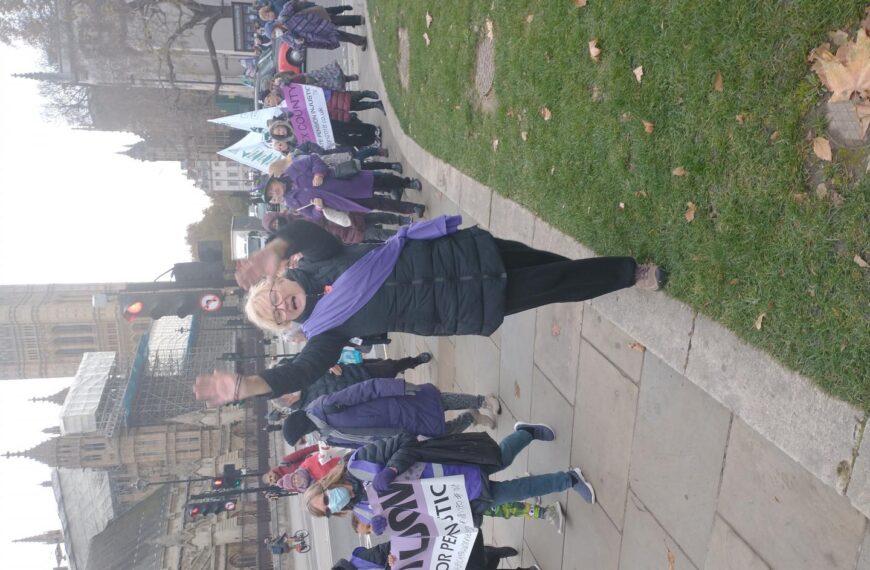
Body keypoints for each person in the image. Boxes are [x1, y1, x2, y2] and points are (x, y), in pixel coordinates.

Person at [193, 215, 664, 407]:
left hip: (460, 255)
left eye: (274, 297)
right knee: (552, 286)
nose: (281, 305)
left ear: (278, 278)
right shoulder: (325, 333)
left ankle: (600, 272)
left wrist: (272, 248)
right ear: (285, 323)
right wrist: (248, 385)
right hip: (461, 302)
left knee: (543, 263)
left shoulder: (321, 257)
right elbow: (300, 373)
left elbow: (302, 230)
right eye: (276, 314)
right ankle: (631, 274)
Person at [302, 423, 595, 522]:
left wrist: (391, 469)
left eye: (325, 499)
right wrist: (388, 533)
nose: (332, 503)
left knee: (502, 459)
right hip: (457, 498)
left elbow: (405, 440)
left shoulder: (359, 463)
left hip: (452, 466)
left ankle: (526, 432)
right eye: (328, 509)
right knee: (517, 491)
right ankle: (568, 479)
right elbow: (412, 526)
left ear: (326, 485)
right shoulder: (364, 511)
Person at [280, 377, 500, 448]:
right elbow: (359, 446)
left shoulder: (323, 407)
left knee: (439, 402)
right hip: (396, 434)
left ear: (301, 427)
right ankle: (472, 417)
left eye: (301, 437)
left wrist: (397, 387)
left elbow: (362, 391)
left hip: (394, 407)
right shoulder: (326, 437)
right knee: (440, 432)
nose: (305, 441)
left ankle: (482, 401)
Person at [263, 156, 425, 220]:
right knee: (380, 204)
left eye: (272, 189)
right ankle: (412, 208)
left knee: (382, 180)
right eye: (272, 196)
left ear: (274, 180)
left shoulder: (293, 170)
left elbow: (314, 160)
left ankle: (407, 183)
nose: (274, 193)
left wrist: (318, 173)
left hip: (346, 181)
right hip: (345, 200)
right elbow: (312, 215)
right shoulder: (292, 203)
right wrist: (318, 209)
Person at [270, 352, 434, 413]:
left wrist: (328, 363)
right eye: (288, 391)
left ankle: (414, 361)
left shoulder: (301, 377)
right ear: (289, 400)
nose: (292, 388)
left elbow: (313, 357)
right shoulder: (309, 409)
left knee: (389, 367)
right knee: (396, 388)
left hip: (355, 371)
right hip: (363, 391)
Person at [333, 534, 528, 570]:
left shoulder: (360, 560)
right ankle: (490, 555)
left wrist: (391, 560)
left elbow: (390, 548)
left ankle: (490, 555)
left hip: (425, 560)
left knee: (472, 564)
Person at [263, 210, 408, 245]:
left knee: (374, 217)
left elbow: (316, 211)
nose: (277, 224)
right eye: (274, 226)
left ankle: (401, 219)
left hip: (342, 218)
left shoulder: (296, 210)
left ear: (277, 215)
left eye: (275, 221)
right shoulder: (294, 234)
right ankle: (407, 235)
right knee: (376, 234)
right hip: (340, 234)